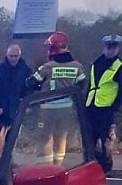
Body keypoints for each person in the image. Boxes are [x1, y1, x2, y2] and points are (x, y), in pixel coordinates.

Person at [27, 31, 87, 165]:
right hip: (67, 109)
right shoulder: (77, 66)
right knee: (61, 139)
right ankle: (58, 167)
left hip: (47, 109)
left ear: (53, 49)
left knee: (46, 139)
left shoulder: (47, 67)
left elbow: (31, 83)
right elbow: (82, 86)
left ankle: (47, 168)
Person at [85, 34, 122, 174]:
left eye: (114, 47)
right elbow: (90, 85)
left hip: (107, 108)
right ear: (104, 48)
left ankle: (106, 168)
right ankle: (93, 165)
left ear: (117, 49)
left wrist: (115, 107)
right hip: (92, 106)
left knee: (106, 139)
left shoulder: (119, 67)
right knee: (90, 139)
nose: (111, 50)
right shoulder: (96, 64)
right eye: (108, 47)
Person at [0, 44, 33, 156]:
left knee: (14, 136)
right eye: (11, 56)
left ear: (19, 56)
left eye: (15, 56)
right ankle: (0, 158)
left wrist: (26, 104)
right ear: (7, 55)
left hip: (18, 107)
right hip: (3, 107)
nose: (13, 58)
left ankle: (10, 158)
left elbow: (30, 88)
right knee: (1, 135)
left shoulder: (26, 70)